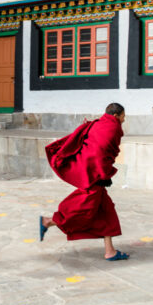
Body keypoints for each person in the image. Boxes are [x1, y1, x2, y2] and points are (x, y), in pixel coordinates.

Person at [39, 102, 128, 261]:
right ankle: (49, 221)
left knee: (107, 212)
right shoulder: (112, 128)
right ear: (115, 116)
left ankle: (110, 251)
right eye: (123, 116)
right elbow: (100, 153)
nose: (124, 120)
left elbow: (95, 149)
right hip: (95, 175)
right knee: (82, 208)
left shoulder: (99, 124)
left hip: (90, 171)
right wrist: (103, 174)